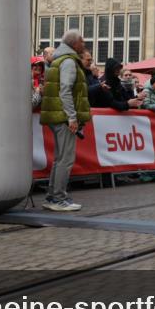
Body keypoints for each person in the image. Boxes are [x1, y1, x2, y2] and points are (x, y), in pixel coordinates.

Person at [39, 30, 90, 212]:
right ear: (74, 43)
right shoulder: (68, 61)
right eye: (82, 42)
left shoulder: (59, 60)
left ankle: (53, 196)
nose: (84, 44)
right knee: (65, 159)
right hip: (63, 117)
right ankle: (58, 198)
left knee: (60, 159)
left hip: (57, 116)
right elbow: (65, 90)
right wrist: (72, 117)